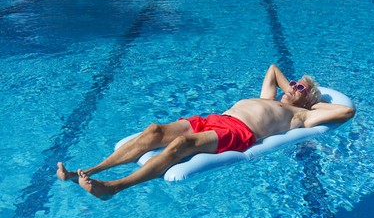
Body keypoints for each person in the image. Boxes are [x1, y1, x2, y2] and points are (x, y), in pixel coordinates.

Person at [57, 64, 355, 199]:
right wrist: (294, 85)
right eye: (292, 83)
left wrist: (313, 104)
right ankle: (87, 171)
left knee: (183, 144)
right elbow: (273, 68)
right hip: (214, 118)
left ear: (308, 97)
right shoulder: (269, 97)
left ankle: (114, 187)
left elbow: (346, 111)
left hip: (239, 132)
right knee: (153, 131)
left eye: (299, 86)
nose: (291, 86)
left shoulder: (301, 116)